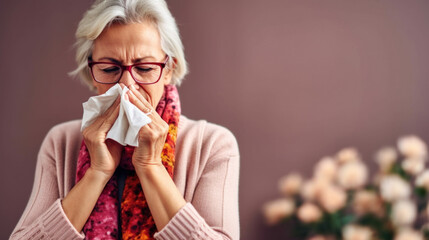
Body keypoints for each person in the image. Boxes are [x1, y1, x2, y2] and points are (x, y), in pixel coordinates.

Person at [9, 0, 239, 239]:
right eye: (110, 69)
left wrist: (150, 167)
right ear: (91, 73)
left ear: (168, 69)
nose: (127, 86)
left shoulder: (212, 144)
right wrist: (97, 172)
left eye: (145, 68)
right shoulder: (61, 142)